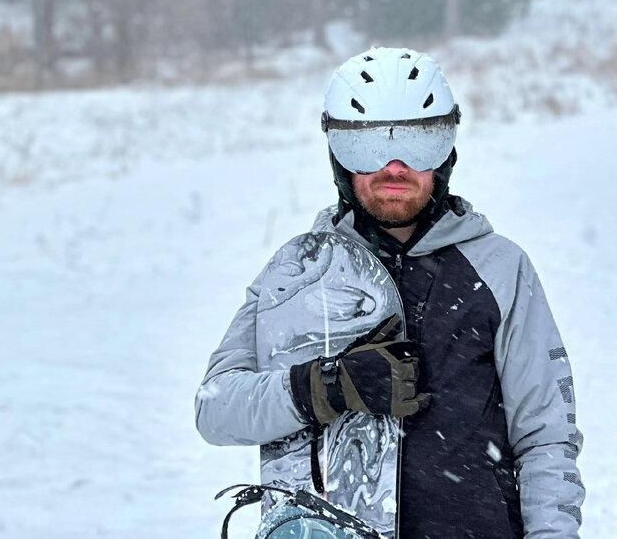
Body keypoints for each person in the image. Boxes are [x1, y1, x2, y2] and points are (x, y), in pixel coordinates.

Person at [195, 47, 584, 539]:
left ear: (447, 152)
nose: (395, 166)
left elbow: (547, 437)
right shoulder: (297, 271)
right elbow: (215, 409)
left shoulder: (501, 268)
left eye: (421, 142)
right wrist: (326, 388)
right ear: (338, 156)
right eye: (368, 146)